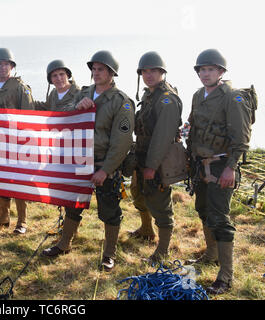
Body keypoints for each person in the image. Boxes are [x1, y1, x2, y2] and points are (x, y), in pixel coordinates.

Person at [42, 50, 135, 271]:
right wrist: (77, 107)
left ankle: (109, 254)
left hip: (105, 165)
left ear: (112, 72)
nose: (96, 73)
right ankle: (64, 244)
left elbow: (121, 142)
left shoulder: (122, 102)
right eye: (93, 69)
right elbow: (64, 118)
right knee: (73, 205)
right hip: (80, 161)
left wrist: (107, 170)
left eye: (101, 69)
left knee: (109, 211)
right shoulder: (84, 93)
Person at [186, 49, 252, 294]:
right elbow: (193, 126)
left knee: (220, 219)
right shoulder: (197, 95)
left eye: (210, 69)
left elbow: (241, 137)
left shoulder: (232, 97)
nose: (205, 74)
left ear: (221, 72)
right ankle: (211, 255)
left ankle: (225, 276)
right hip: (200, 164)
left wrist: (231, 168)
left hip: (222, 165)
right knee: (203, 210)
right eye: (202, 70)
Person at [133, 51, 183, 263]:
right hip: (143, 155)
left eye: (153, 71)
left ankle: (162, 252)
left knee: (160, 204)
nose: (149, 75)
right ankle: (146, 230)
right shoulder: (149, 95)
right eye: (145, 71)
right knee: (138, 193)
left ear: (162, 72)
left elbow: (163, 137)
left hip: (159, 161)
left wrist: (152, 166)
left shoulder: (166, 99)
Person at [0, 48, 35, 235]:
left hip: (17, 142)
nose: (3, 67)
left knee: (18, 181)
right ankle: (3, 218)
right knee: (1, 180)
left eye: (6, 64)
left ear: (12, 66)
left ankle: (22, 221)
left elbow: (29, 117)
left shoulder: (21, 88)